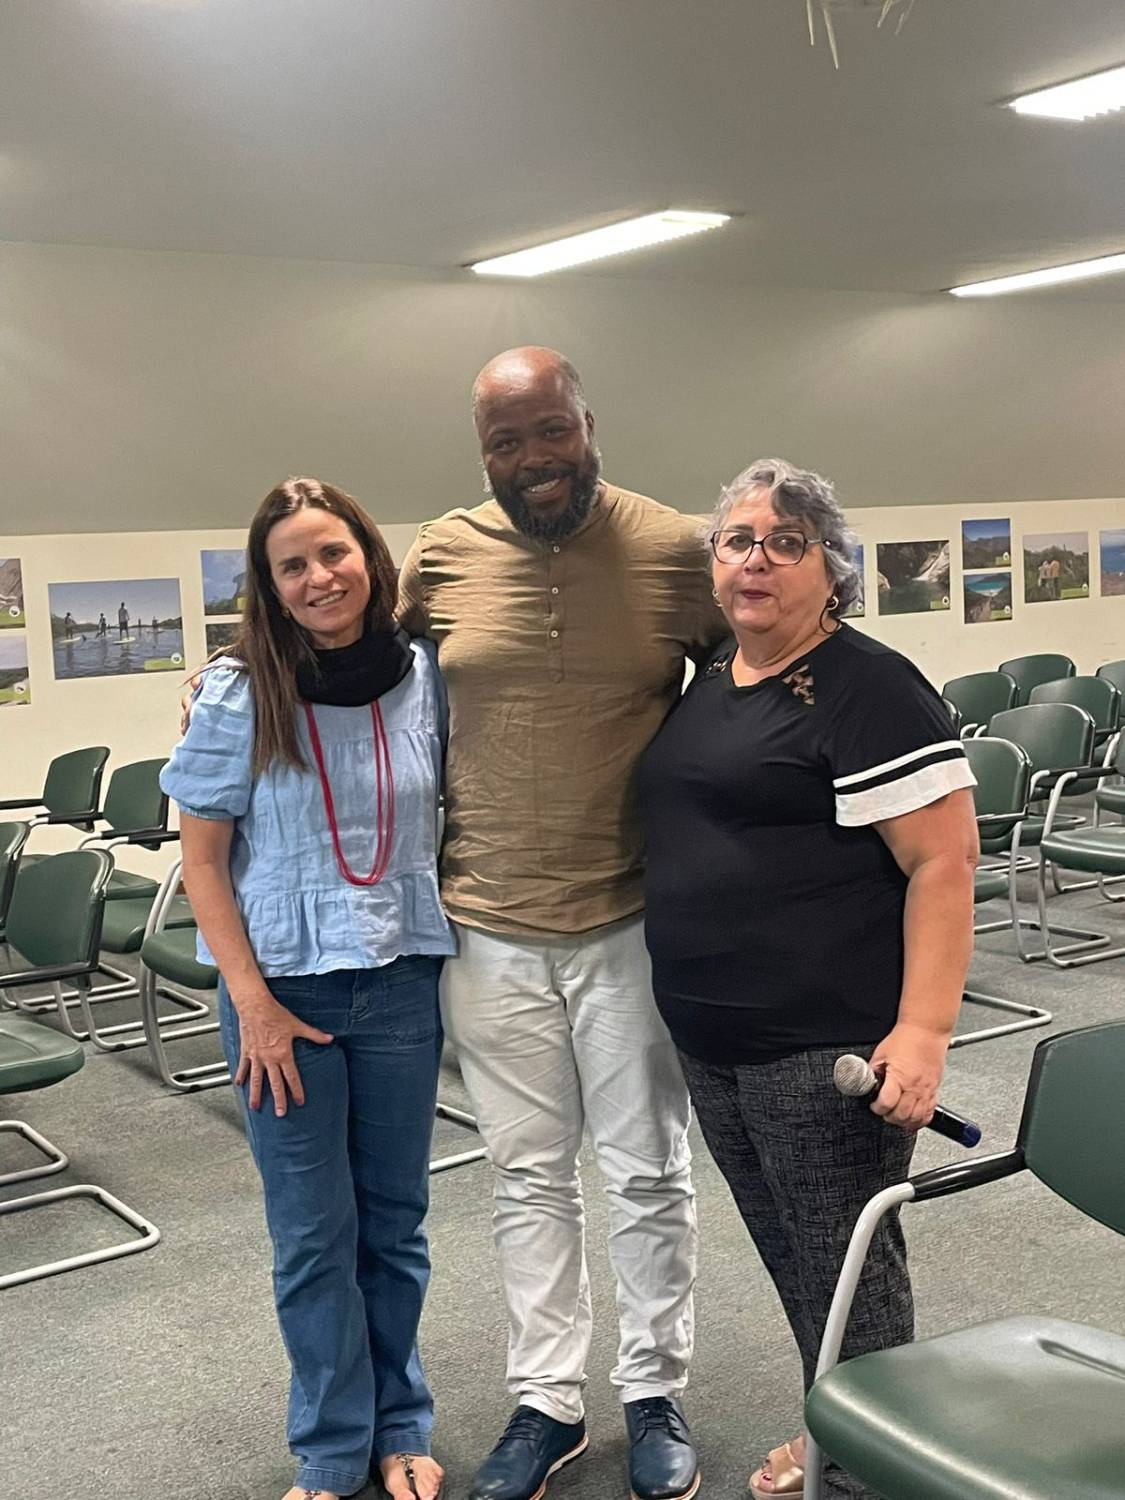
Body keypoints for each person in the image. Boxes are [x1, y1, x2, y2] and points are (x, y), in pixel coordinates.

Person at [397, 348, 726, 1500]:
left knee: (646, 1171)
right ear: (480, 449)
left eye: (551, 431)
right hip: (484, 922)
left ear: (590, 419)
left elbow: (757, 683)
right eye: (506, 442)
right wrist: (231, 686)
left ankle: (653, 1388)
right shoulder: (438, 554)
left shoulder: (677, 550)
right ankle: (546, 1401)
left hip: (634, 913)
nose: (534, 460)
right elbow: (347, 666)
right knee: (526, 1176)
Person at [637, 458, 979, 1500]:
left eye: (787, 543)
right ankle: (840, 1434)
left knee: (850, 1281)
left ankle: (874, 1472)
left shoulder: (868, 687)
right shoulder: (715, 680)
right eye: (738, 540)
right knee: (800, 1269)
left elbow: (945, 863)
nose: (757, 561)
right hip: (717, 1046)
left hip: (823, 1053)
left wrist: (923, 1032)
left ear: (831, 568)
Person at [161, 477, 454, 1500]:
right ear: (271, 586)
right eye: (293, 565)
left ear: (369, 556)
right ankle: (332, 1446)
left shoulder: (425, 676)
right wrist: (250, 1004)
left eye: (333, 553)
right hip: (279, 1001)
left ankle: (402, 1423)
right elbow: (202, 863)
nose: (320, 577)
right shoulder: (242, 693)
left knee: (396, 1224)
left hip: (402, 986)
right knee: (312, 1236)